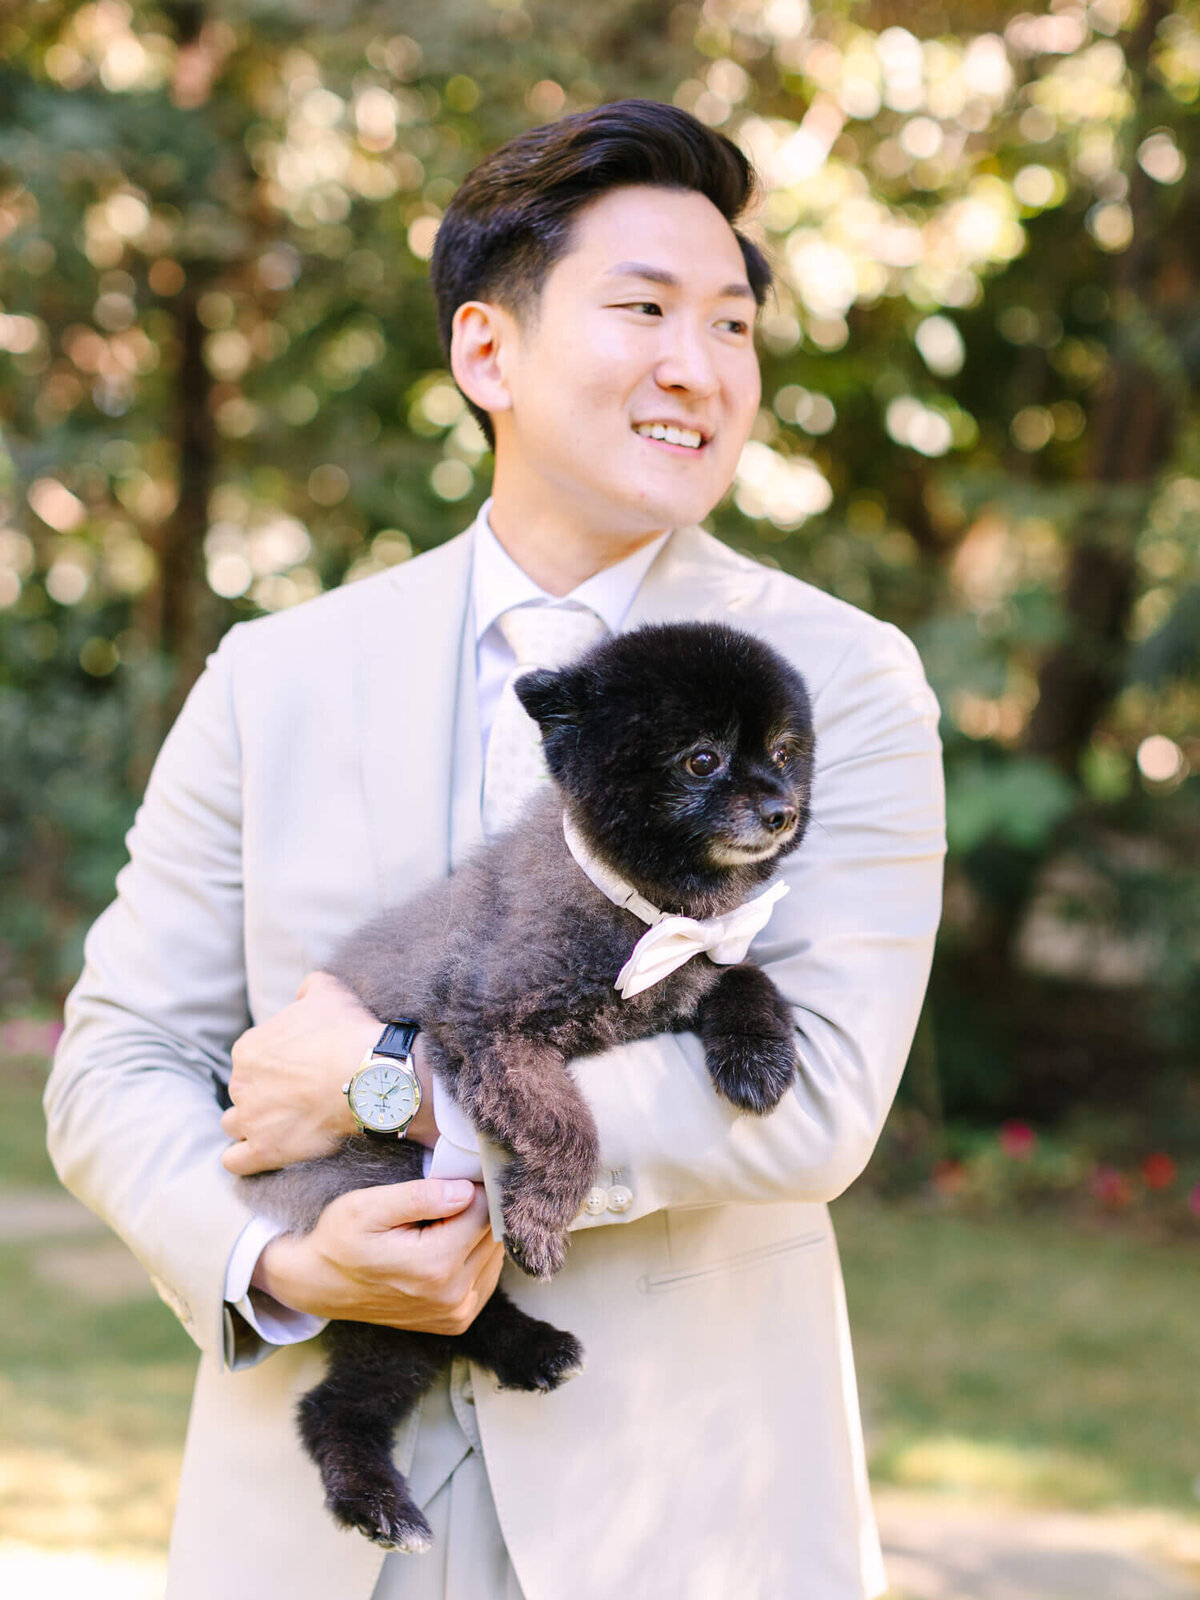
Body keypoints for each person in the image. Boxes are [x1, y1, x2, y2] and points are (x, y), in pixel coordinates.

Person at [45, 99, 945, 1600]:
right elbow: (120, 1055)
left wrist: (393, 1091)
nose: (698, 367)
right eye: (645, 309)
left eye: (732, 325)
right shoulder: (277, 677)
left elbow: (822, 1092)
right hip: (311, 1525)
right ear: (488, 353)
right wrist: (274, 1262)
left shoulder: (837, 679)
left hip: (682, 1528)